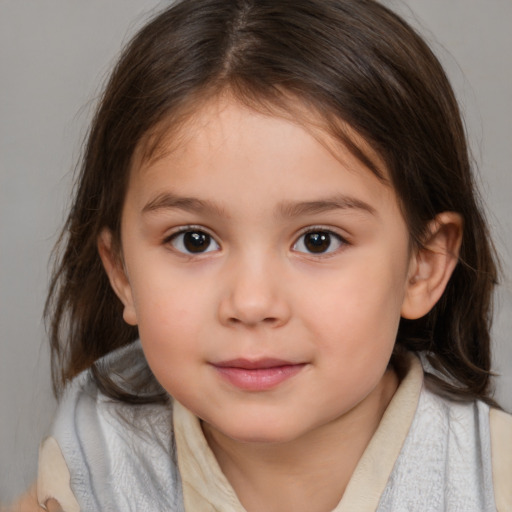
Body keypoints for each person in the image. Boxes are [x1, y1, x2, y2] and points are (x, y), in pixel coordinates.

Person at [10, 0, 512, 510]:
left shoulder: (491, 476)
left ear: (422, 266)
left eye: (319, 240)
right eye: (194, 240)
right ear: (122, 273)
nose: (251, 303)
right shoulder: (91, 466)